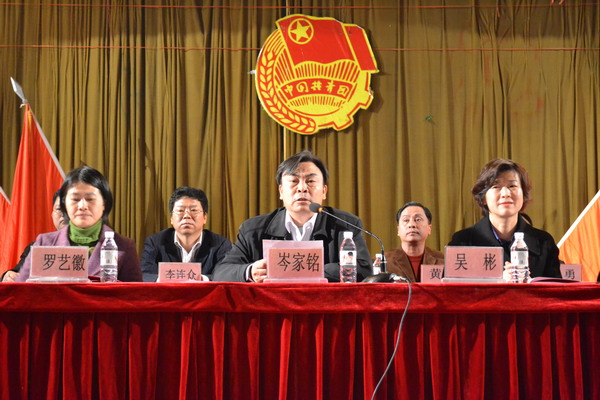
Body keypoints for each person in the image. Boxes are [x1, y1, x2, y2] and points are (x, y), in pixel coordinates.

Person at [213, 150, 372, 283]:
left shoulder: (346, 225)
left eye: (310, 181)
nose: (302, 188)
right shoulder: (254, 229)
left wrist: (304, 270)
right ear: (281, 191)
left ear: (324, 191)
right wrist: (249, 271)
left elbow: (364, 270)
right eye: (294, 181)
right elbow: (222, 272)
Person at [15, 166, 142, 282]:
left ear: (104, 203)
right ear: (64, 203)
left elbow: (135, 296)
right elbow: (20, 292)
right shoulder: (44, 243)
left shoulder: (124, 246)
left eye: (90, 199)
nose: (82, 206)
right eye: (75, 199)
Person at [448, 159, 561, 278]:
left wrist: (529, 284)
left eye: (512, 186)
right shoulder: (463, 242)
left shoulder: (544, 242)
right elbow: (450, 288)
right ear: (483, 198)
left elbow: (556, 288)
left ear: (523, 195)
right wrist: (498, 281)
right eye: (496, 186)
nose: (506, 193)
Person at [141, 187, 232, 281]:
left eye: (193, 210)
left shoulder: (221, 244)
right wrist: (164, 279)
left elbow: (226, 275)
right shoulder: (155, 242)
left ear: (205, 217)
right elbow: (145, 275)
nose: (187, 216)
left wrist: (201, 279)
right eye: (180, 211)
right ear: (171, 218)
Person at [1, 190, 68, 282]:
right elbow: (17, 272)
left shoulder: (89, 247)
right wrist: (8, 276)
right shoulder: (38, 246)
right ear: (52, 214)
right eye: (59, 209)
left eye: (69, 209)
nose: (64, 215)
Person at [384, 202, 444, 282]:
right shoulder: (384, 262)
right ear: (398, 230)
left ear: (429, 229)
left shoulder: (443, 261)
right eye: (406, 220)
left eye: (418, 219)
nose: (411, 225)